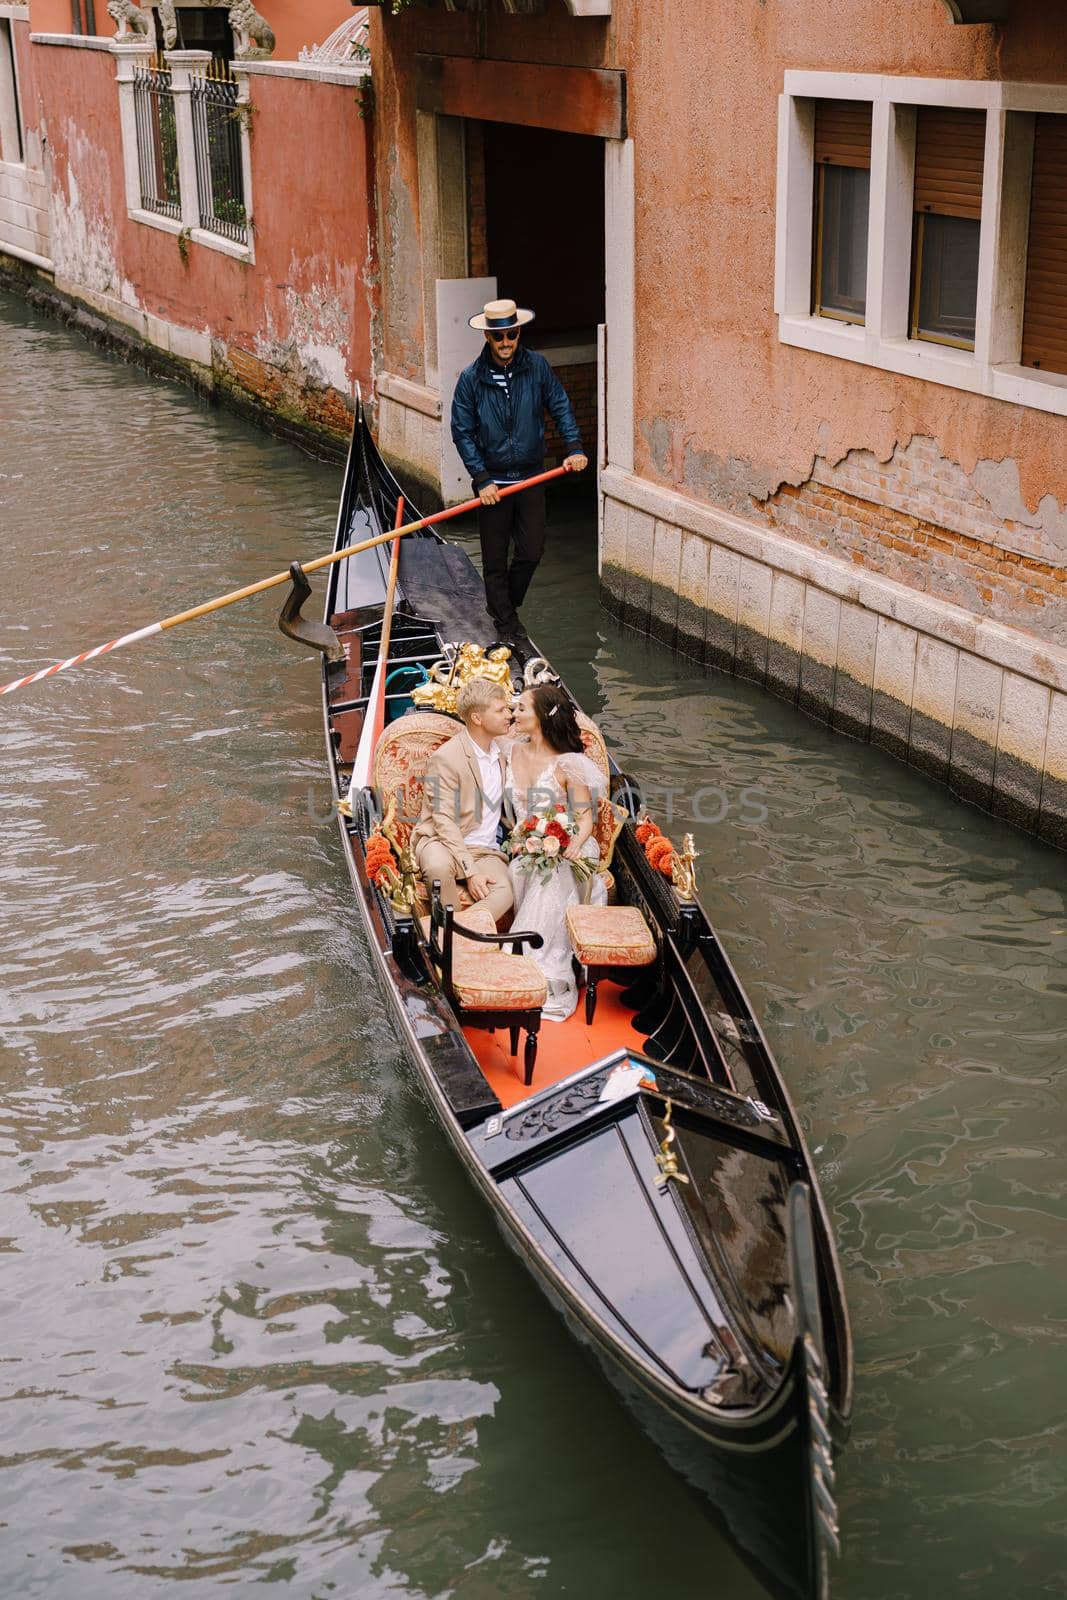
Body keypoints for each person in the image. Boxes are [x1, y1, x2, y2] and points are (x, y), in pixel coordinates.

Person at [451, 298, 589, 655]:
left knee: (531, 550)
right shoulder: (470, 379)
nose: (505, 343)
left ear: (518, 332)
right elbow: (462, 431)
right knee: (495, 559)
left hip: (531, 476)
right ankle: (507, 623)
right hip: (493, 483)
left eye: (511, 335)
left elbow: (559, 404)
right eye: (498, 337)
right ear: (488, 337)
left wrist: (574, 446)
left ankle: (502, 606)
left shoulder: (537, 367)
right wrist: (481, 478)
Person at [503, 683, 607, 1022]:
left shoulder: (569, 764)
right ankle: (526, 961)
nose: (513, 713)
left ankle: (540, 971)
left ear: (543, 717)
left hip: (573, 844)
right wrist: (522, 837)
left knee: (554, 875)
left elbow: (585, 819)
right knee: (523, 870)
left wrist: (569, 846)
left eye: (520, 708)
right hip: (529, 845)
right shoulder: (511, 751)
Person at [410, 676, 515, 923]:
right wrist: (471, 872)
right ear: (477, 719)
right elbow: (443, 820)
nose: (508, 715)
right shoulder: (446, 758)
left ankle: (460, 934)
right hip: (441, 841)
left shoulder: (504, 753)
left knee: (505, 891)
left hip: (485, 849)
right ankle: (450, 945)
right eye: (500, 710)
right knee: (438, 869)